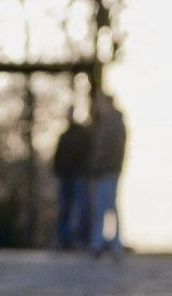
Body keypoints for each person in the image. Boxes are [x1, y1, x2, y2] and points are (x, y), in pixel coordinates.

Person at [86, 91, 128, 256]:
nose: (97, 107)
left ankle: (110, 242)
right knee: (104, 207)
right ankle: (103, 242)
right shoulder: (106, 123)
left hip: (108, 172)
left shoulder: (114, 124)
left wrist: (102, 167)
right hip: (104, 171)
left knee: (107, 207)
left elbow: (113, 151)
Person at [51, 110, 93, 251]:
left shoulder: (82, 135)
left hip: (78, 176)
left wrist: (84, 171)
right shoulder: (64, 136)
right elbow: (58, 156)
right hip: (65, 177)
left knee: (81, 208)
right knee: (65, 209)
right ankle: (64, 239)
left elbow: (87, 154)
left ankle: (82, 239)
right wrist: (57, 170)